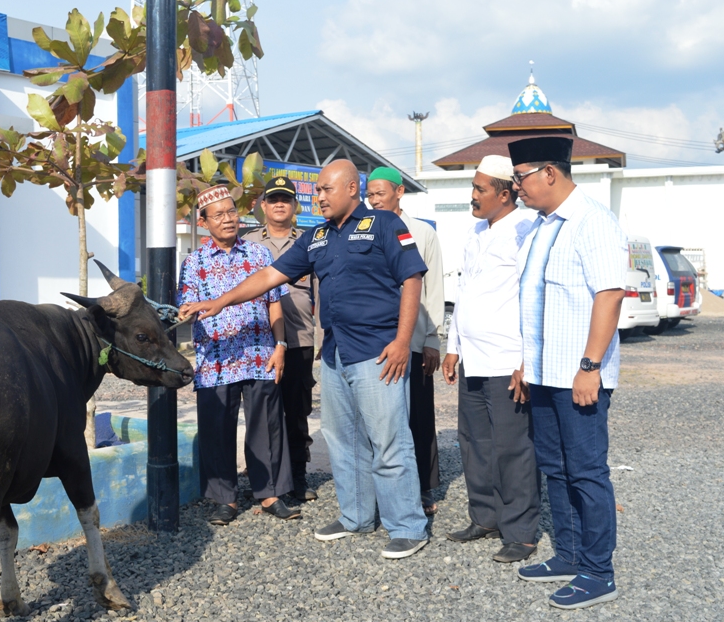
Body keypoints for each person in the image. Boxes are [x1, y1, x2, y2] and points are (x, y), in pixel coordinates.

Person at [181, 159, 430, 559]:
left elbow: (412, 279)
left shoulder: (385, 225)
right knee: (343, 441)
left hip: (378, 353)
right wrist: (220, 301)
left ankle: (407, 526)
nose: (319, 197)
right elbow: (268, 277)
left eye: (326, 190)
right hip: (334, 354)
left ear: (352, 188)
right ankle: (356, 517)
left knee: (388, 442)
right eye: (317, 191)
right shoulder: (316, 237)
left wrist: (403, 341)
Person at [509, 136, 627, 609]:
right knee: (554, 468)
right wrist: (526, 363)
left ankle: (599, 571)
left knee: (586, 472)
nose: (517, 187)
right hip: (543, 372)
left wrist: (590, 367)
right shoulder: (541, 226)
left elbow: (610, 295)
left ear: (549, 173)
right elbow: (539, 300)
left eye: (520, 178)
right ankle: (570, 554)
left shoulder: (592, 222)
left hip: (578, 373)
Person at [177, 184, 301, 526]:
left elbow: (274, 303)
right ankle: (224, 499)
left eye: (232, 212)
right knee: (216, 430)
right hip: (215, 360)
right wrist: (185, 311)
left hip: (260, 355)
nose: (228, 219)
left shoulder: (260, 256)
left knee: (267, 427)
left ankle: (270, 492)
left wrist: (281, 346)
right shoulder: (193, 263)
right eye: (219, 215)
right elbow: (185, 306)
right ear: (204, 222)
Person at [441, 155, 540, 563]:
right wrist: (453, 346)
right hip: (472, 359)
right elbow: (464, 294)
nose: (473, 196)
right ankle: (485, 517)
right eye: (473, 188)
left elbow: (532, 298)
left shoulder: (526, 230)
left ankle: (521, 531)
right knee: (474, 442)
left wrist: (526, 361)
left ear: (505, 193)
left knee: (512, 448)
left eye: (480, 189)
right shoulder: (475, 232)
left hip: (506, 360)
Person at [365, 166, 445, 516]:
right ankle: (380, 489)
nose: (374, 199)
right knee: (380, 418)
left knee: (418, 416)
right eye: (370, 194)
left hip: (412, 340)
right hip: (375, 341)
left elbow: (432, 289)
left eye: (380, 193)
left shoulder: (423, 233)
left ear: (399, 192)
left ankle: (424, 489)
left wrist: (432, 339)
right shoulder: (362, 230)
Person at [243, 176, 320, 502]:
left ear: (294, 206)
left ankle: (297, 479)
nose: (279, 204)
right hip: (257, 343)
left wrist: (323, 335)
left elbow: (322, 291)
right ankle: (267, 481)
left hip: (300, 339)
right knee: (261, 414)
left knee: (297, 412)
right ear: (263, 205)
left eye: (285, 199)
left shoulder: (310, 241)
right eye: (273, 199)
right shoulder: (248, 242)